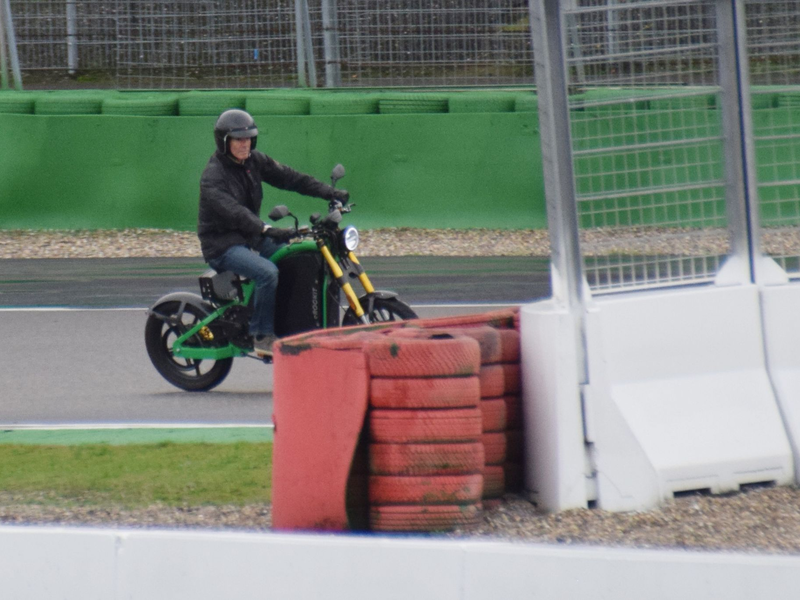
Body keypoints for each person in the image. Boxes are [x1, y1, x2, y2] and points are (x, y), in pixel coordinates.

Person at [198, 108, 349, 357]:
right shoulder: (213, 176)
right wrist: (266, 229)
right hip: (223, 244)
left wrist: (328, 193)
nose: (245, 143)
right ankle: (261, 336)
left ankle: (291, 324)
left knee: (297, 257)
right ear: (224, 141)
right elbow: (235, 212)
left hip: (251, 237)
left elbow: (291, 178)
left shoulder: (254, 161)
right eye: (238, 139)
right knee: (267, 272)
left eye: (248, 138)